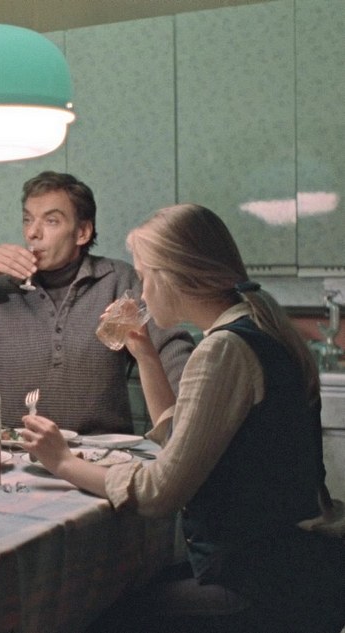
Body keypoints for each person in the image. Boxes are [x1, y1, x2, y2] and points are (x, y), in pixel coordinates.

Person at [22, 204, 345, 633]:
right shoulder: (256, 326)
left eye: (143, 277)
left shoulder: (223, 349)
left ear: (172, 276)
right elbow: (183, 438)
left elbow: (160, 492)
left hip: (260, 583)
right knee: (123, 585)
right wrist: (145, 353)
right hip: (299, 568)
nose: (139, 294)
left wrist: (63, 462)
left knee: (90, 614)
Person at [0, 171, 194, 432]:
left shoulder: (118, 280)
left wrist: (190, 420)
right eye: (28, 219)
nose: (32, 233)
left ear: (82, 232)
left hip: (99, 453)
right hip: (13, 453)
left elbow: (172, 349)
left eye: (51, 221)